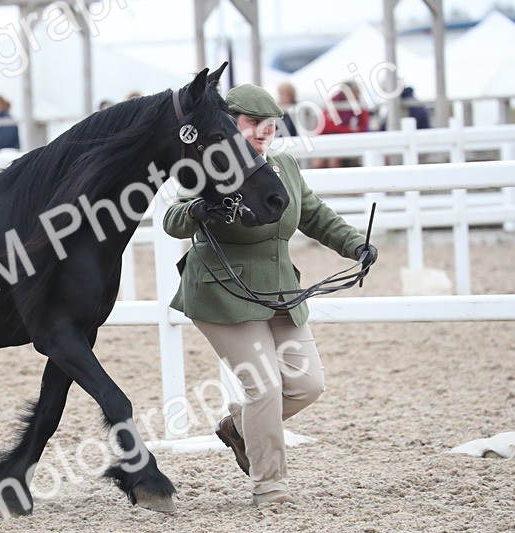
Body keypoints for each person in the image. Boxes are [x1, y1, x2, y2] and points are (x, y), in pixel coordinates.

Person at [162, 84, 378, 507]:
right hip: (224, 291)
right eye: (254, 122)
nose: (264, 131)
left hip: (279, 290)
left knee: (307, 384)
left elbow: (314, 214)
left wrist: (356, 245)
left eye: (271, 124)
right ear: (230, 124)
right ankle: (270, 485)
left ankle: (239, 428)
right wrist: (197, 210)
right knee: (264, 388)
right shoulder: (208, 165)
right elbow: (173, 217)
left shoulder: (284, 166)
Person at [318, 80, 370, 168]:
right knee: (318, 162)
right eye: (356, 92)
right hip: (331, 141)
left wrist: (342, 129)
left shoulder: (361, 107)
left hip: (351, 142)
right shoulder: (333, 103)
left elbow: (362, 128)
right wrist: (349, 129)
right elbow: (327, 127)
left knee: (333, 161)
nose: (358, 95)